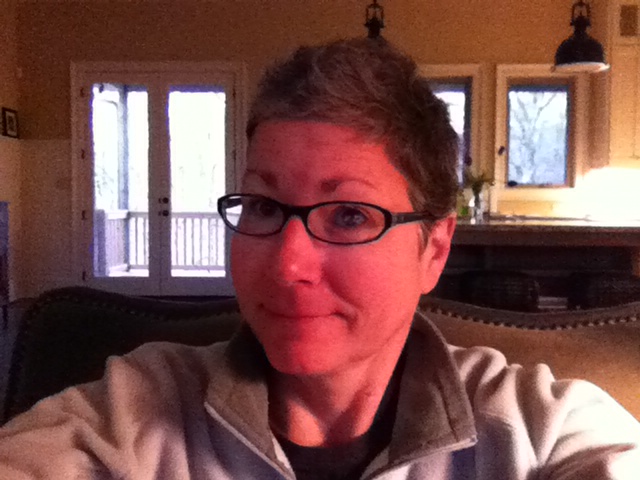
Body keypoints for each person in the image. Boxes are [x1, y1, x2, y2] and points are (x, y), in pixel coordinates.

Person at [1, 37, 639, 480]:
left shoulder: (542, 430)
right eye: (263, 206)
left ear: (434, 250)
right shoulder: (128, 415)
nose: (287, 264)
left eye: (350, 215)